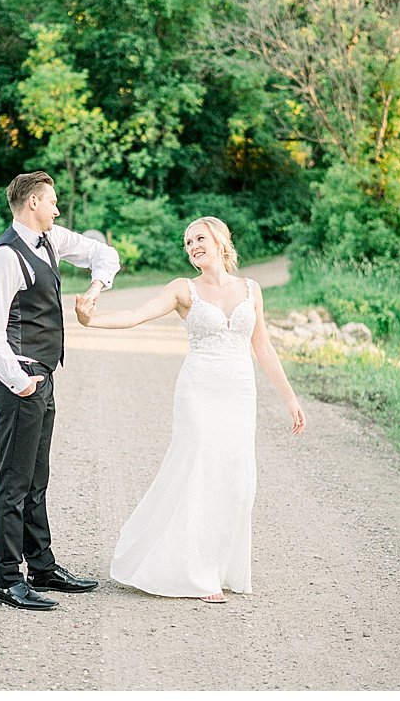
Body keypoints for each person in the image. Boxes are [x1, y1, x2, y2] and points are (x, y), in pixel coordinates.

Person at [75, 216, 306, 603]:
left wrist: (289, 397)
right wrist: (90, 319)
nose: (192, 246)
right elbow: (136, 315)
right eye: (187, 243)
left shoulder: (251, 289)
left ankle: (219, 567)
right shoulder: (183, 289)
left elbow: (262, 347)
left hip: (239, 391)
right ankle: (197, 576)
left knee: (237, 482)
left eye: (199, 238)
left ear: (219, 240)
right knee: (200, 471)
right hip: (199, 389)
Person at [0, 171, 120, 611]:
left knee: (38, 477)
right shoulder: (5, 257)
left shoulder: (51, 238)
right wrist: (20, 382)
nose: (57, 209)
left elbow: (105, 254)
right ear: (33, 203)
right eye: (52, 202)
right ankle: (6, 579)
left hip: (43, 374)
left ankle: (41, 566)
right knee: (14, 481)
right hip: (19, 380)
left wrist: (93, 292)